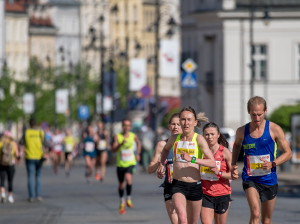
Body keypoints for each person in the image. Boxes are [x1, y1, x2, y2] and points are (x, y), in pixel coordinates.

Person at [231, 96, 292, 224]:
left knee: (266, 220)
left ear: (265, 111)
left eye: (260, 114)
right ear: (249, 112)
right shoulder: (242, 131)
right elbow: (236, 145)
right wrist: (233, 164)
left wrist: (273, 163)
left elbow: (288, 153)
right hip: (250, 178)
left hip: (269, 179)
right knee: (255, 213)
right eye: (253, 115)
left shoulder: (274, 129)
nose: (257, 118)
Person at [157, 106, 216, 224]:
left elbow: (212, 162)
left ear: (195, 122)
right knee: (182, 218)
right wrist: (161, 164)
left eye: (189, 120)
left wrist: (193, 159)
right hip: (178, 184)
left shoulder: (199, 139)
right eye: (183, 119)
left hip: (195, 185)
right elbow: (165, 150)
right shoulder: (174, 138)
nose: (186, 123)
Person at [148, 113, 182, 224]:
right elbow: (150, 169)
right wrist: (158, 164)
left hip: (187, 187)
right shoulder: (162, 145)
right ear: (169, 126)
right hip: (170, 186)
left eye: (178, 124)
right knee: (175, 220)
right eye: (173, 124)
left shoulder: (191, 144)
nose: (176, 127)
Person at [199, 122, 232, 224]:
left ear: (218, 135)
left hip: (222, 193)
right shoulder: (200, 152)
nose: (210, 137)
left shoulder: (225, 152)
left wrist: (219, 173)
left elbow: (234, 175)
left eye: (212, 134)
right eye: (207, 134)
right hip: (205, 193)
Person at [112, 119, 141, 215]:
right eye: (125, 125)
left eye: (128, 125)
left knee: (128, 178)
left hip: (130, 162)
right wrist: (120, 144)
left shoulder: (133, 136)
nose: (127, 127)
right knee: (121, 184)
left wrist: (138, 154)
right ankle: (121, 201)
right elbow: (113, 150)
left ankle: (128, 199)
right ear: (122, 126)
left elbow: (138, 143)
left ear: (130, 127)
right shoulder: (118, 136)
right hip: (120, 164)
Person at [19, 118, 49, 202]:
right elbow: (46, 144)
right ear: (36, 124)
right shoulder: (40, 132)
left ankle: (31, 196)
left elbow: (21, 143)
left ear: (30, 124)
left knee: (30, 176)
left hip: (29, 156)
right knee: (38, 176)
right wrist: (46, 152)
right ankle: (38, 195)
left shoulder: (27, 132)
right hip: (39, 157)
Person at [0, 131, 20, 203]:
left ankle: (2, 193)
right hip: (11, 164)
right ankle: (10, 196)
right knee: (10, 180)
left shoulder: (1, 143)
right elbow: (17, 154)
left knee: (2, 180)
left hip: (2, 164)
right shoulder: (13, 143)